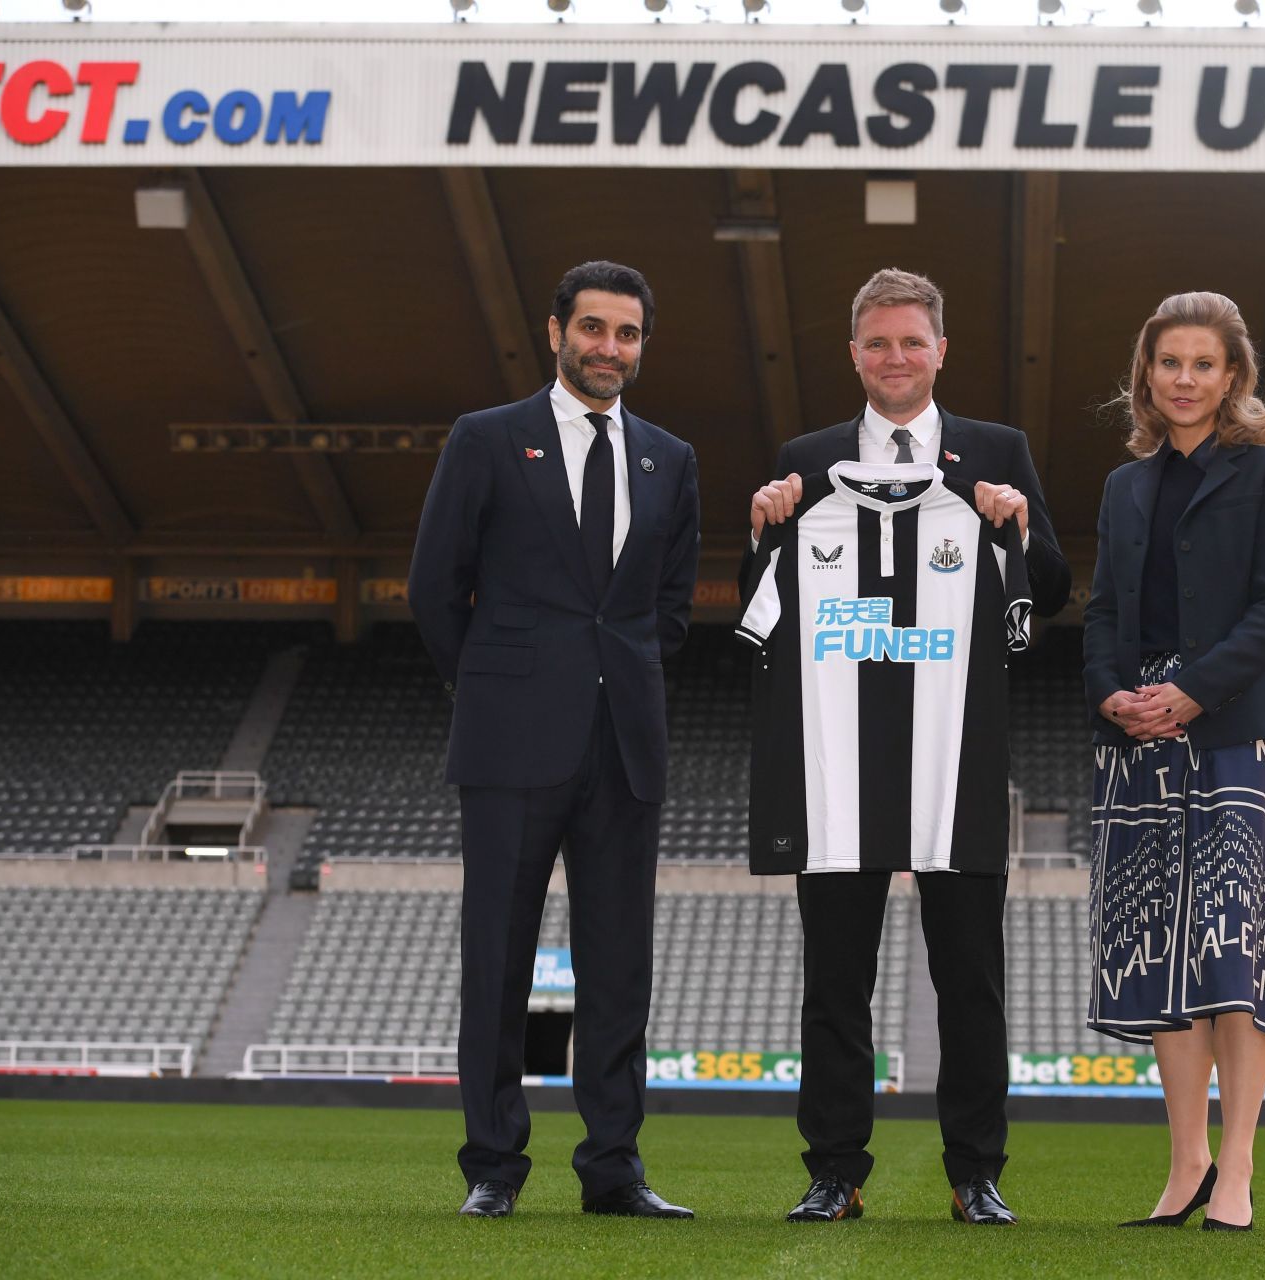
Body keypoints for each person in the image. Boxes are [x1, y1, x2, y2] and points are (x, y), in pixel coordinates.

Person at [744, 267, 1071, 1226]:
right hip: (836, 759)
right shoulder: (807, 458)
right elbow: (758, 592)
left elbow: (1048, 591)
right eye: (877, 343)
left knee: (969, 979)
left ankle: (977, 1173)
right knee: (835, 982)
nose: (895, 358)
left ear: (940, 350)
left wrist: (1014, 522)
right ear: (854, 354)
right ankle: (833, 1171)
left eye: (911, 341)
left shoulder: (994, 451)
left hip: (954, 758)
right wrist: (763, 523)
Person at [408, 260, 701, 1221]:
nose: (609, 348)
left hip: (626, 747)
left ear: (643, 344)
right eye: (593, 328)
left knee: (619, 971)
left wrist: (618, 680)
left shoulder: (670, 457)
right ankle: (493, 1166)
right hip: (509, 744)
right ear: (555, 333)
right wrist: (498, 685)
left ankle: (613, 1170)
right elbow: (432, 587)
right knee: (496, 959)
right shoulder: (489, 439)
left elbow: (667, 609)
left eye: (627, 333)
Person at [1081, 291, 1265, 1232]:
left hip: (1235, 724)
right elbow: (1099, 612)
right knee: (1159, 956)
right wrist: (1111, 693)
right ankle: (1186, 1168)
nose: (1184, 379)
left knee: (1233, 953)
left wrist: (1193, 692)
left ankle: (1241, 1170)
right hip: (1136, 736)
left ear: (1233, 377)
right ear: (1146, 372)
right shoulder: (1123, 487)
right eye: (1169, 362)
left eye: (1203, 364)